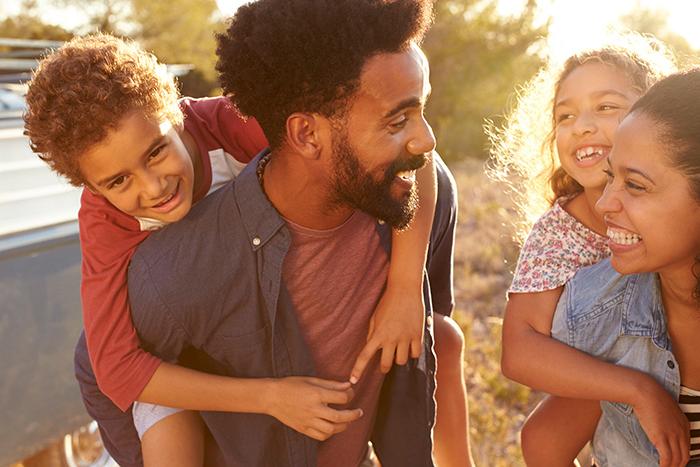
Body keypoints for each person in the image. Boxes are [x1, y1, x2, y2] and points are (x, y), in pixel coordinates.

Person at [41, 1, 468, 465]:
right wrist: (268, 397)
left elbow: (403, 154)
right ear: (91, 187)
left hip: (235, 316)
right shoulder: (105, 221)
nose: (152, 186)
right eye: (117, 181)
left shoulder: (225, 124)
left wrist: (405, 290)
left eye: (157, 151)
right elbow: (116, 368)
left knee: (441, 335)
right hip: (163, 365)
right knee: (168, 432)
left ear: (176, 115)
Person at [489, 33, 677, 465]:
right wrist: (634, 388)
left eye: (607, 107)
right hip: (619, 376)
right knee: (541, 437)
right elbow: (518, 351)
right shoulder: (559, 231)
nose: (582, 126)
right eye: (565, 115)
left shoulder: (684, 198)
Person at [550, 67, 700, 466]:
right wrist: (634, 388)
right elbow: (544, 442)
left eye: (635, 185)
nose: (604, 204)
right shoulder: (597, 308)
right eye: (610, 176)